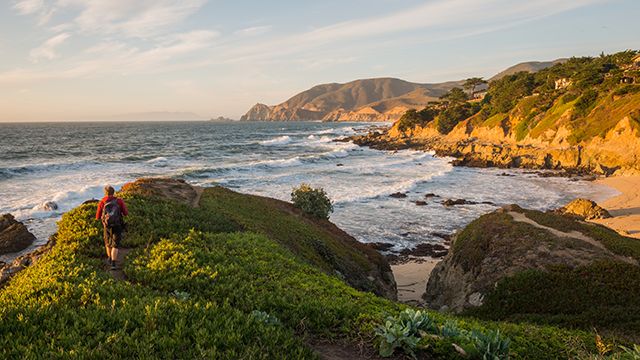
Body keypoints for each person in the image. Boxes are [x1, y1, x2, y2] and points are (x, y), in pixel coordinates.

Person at [96, 185, 128, 270]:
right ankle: (113, 264)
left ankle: (109, 258)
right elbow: (125, 213)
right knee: (115, 244)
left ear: (105, 193)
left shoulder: (102, 202)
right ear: (113, 192)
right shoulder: (119, 201)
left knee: (107, 243)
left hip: (106, 226)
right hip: (118, 224)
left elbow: (97, 216)